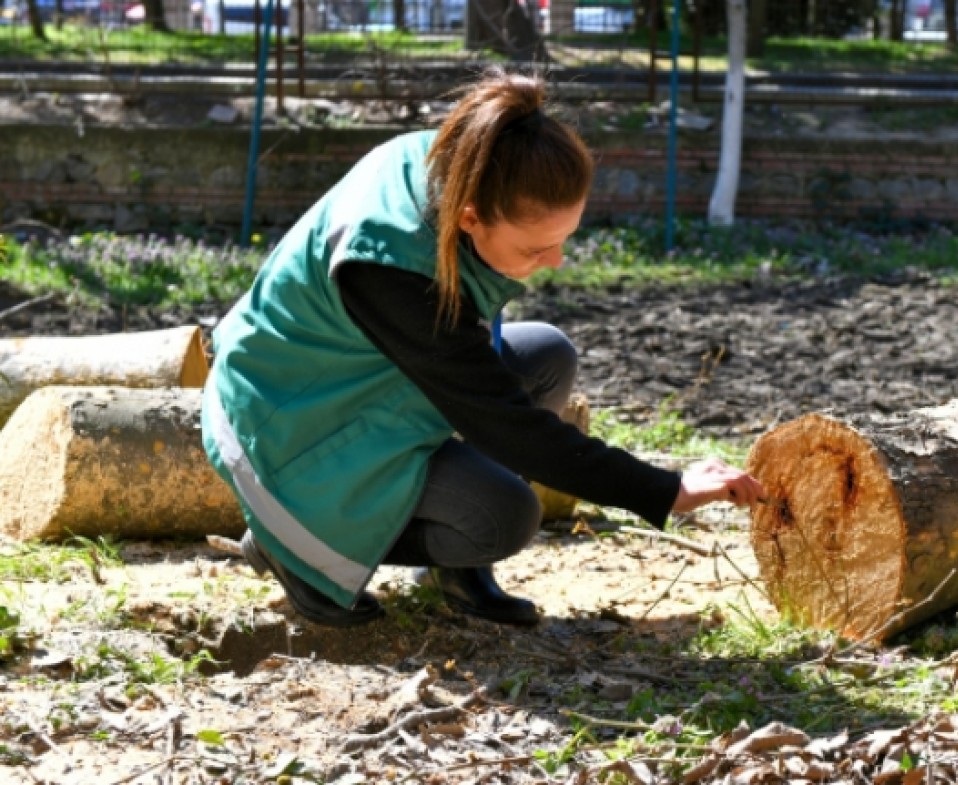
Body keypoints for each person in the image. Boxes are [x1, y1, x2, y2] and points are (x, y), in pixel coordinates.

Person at [201, 68, 764, 629]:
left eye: (564, 239)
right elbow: (507, 427)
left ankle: (452, 569)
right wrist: (666, 490)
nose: (556, 261)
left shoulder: (459, 161)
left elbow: (481, 366)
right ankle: (295, 548)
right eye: (539, 246)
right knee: (505, 517)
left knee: (547, 355)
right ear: (471, 218)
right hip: (285, 424)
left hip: (351, 382)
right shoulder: (392, 270)